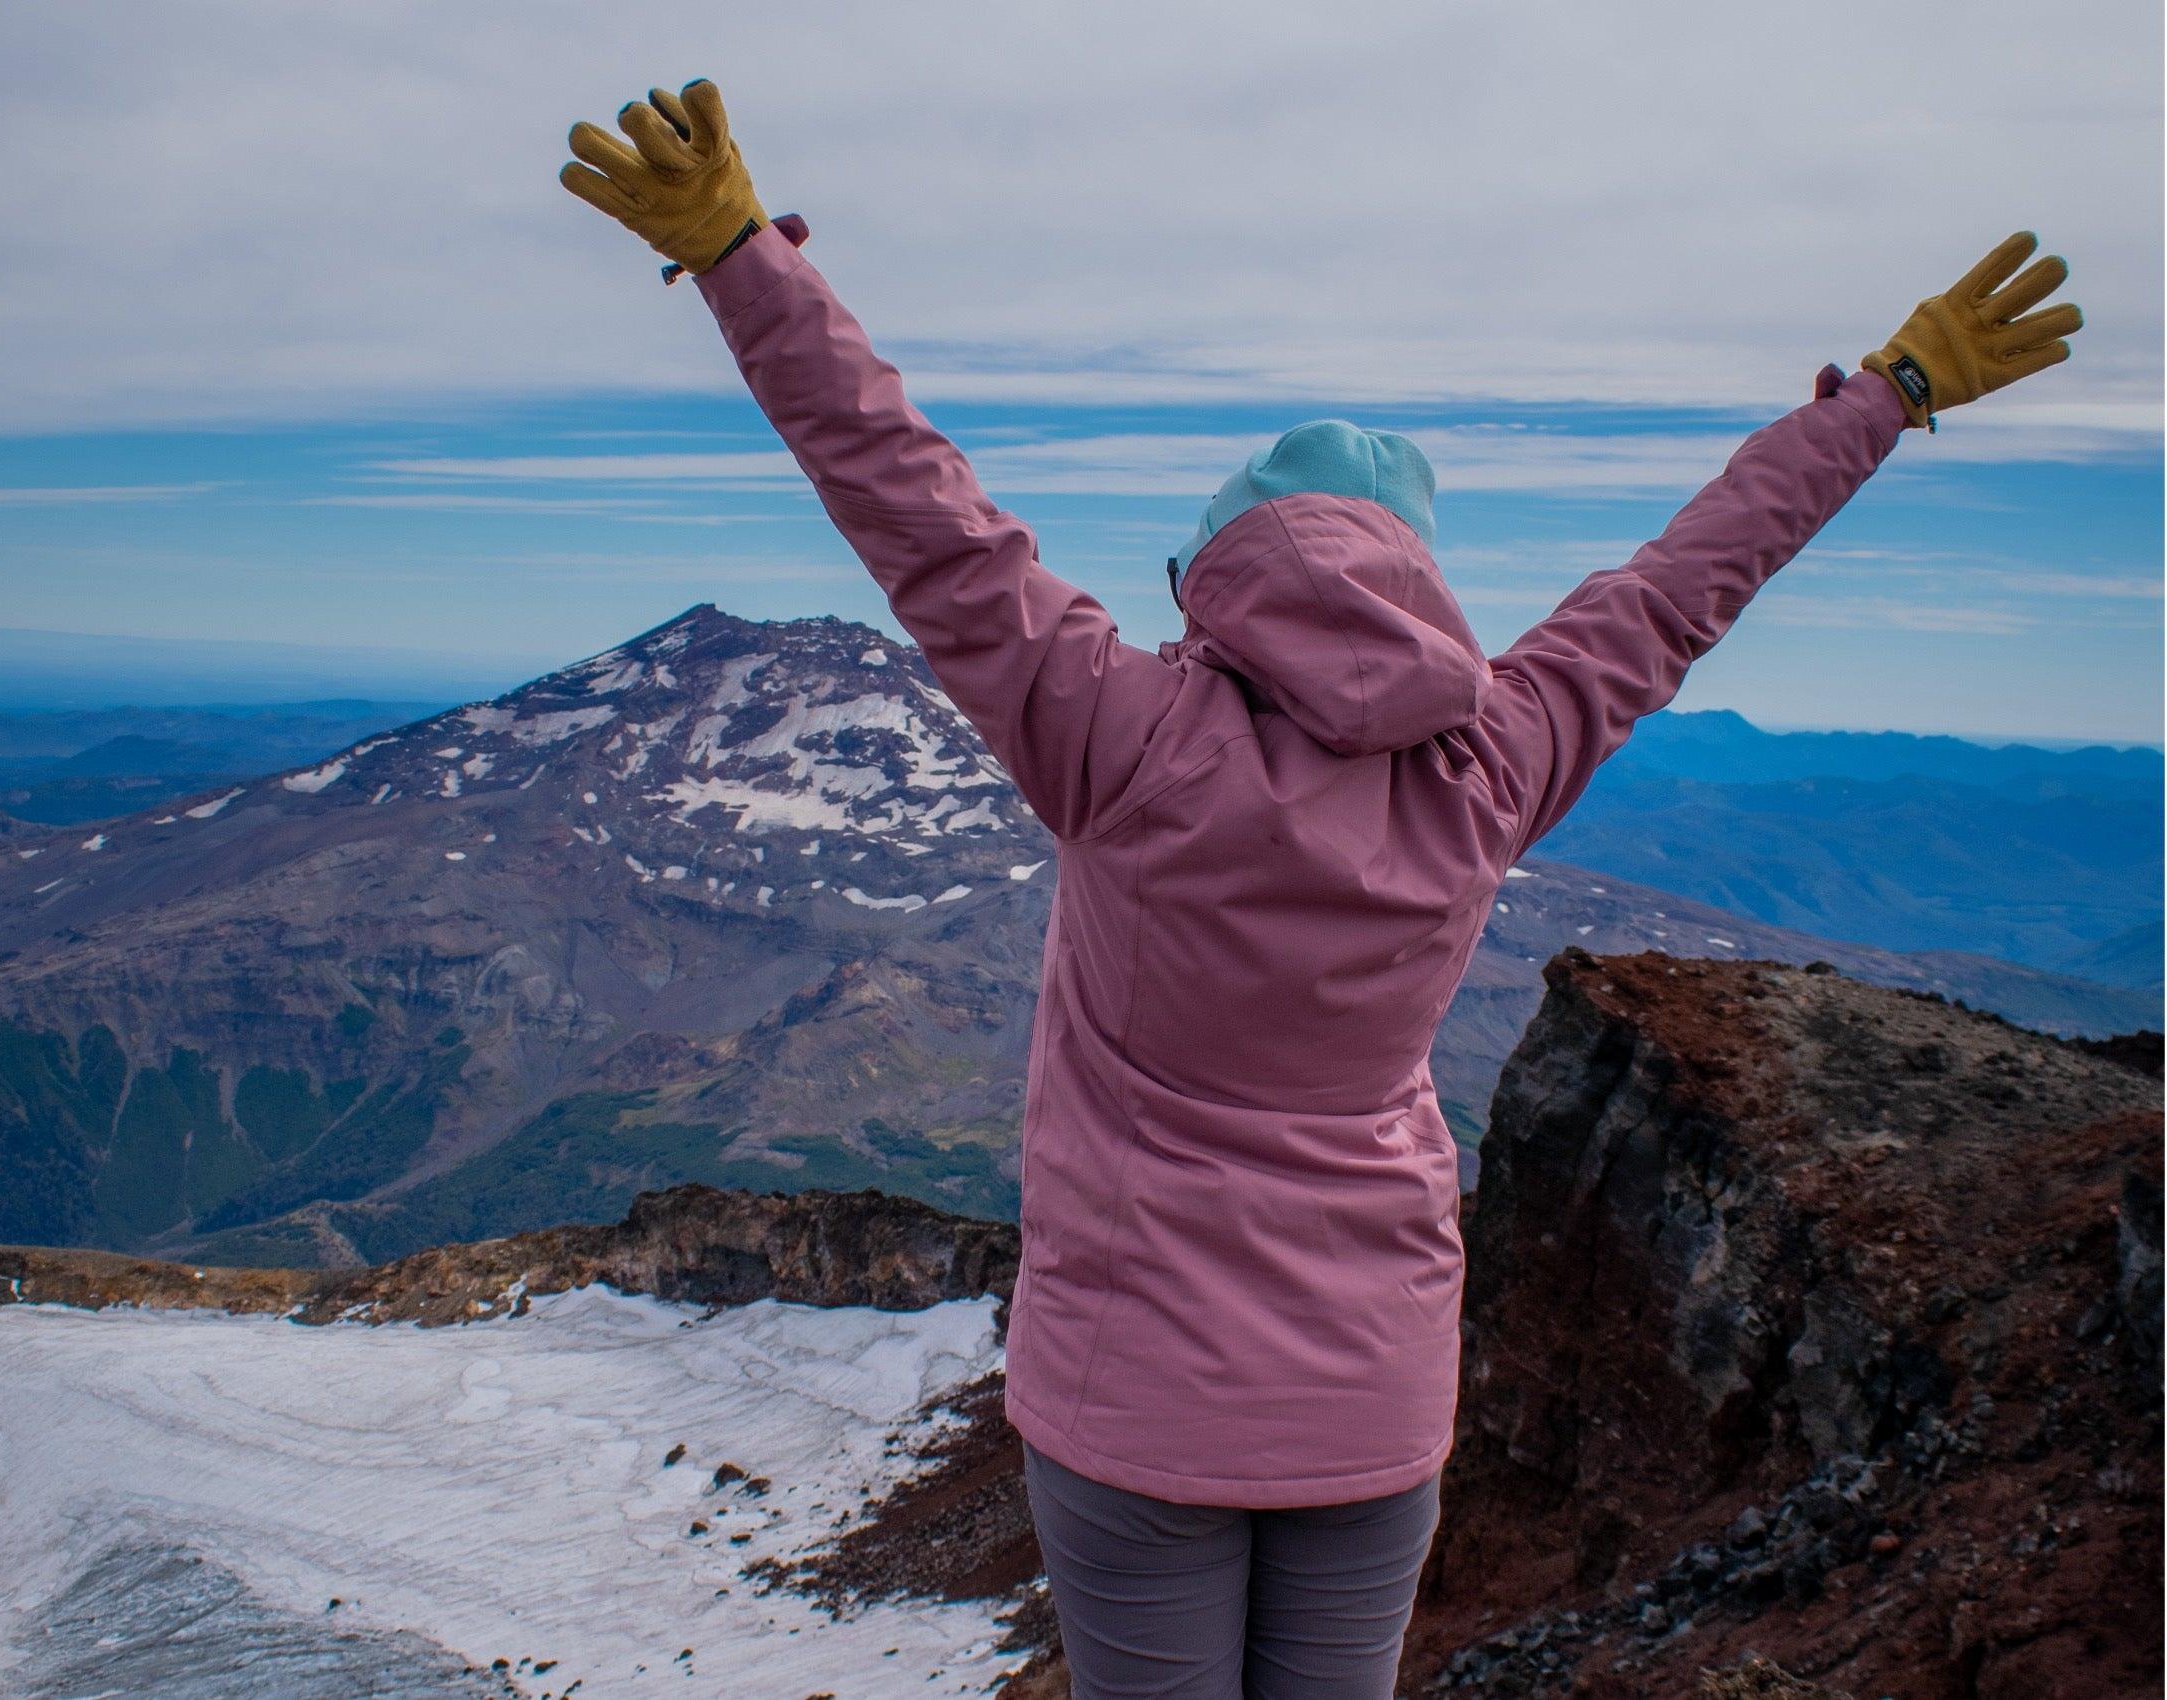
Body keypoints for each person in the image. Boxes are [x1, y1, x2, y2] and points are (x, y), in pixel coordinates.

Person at [560, 80, 2082, 1700]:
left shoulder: (1116, 732)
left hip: (1127, 1401)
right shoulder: (1495, 757)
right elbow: (1688, 575)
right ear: (1416, 585)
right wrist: (1892, 390)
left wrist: (739, 253)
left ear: (1213, 580)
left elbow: (910, 501)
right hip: (1371, 1401)